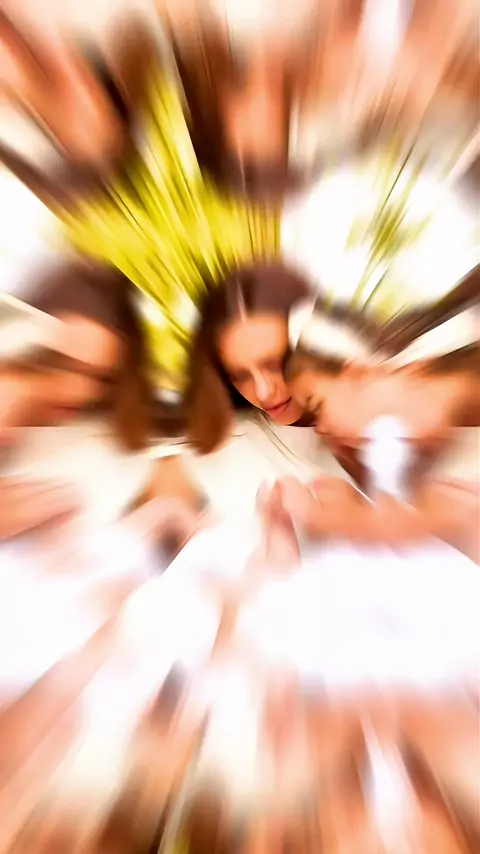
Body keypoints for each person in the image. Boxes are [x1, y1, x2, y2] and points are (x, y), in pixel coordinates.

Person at [0, 259, 205, 546]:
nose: (79, 391)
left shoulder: (135, 434)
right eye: (60, 364)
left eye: (102, 377)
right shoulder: (9, 392)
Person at [281, 277, 479, 559]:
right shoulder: (393, 438)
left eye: (318, 405)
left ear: (358, 374)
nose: (321, 429)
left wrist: (321, 517)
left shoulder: (396, 424)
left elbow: (409, 523)